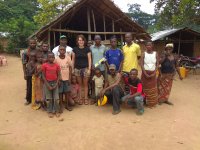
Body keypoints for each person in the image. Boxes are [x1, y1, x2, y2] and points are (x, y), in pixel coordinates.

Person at [72, 34, 92, 105]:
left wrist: (89, 69)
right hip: (77, 69)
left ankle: (86, 98)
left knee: (85, 84)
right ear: (77, 41)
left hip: (85, 68)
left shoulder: (87, 49)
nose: (80, 41)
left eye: (82, 40)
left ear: (84, 41)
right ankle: (81, 98)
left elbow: (89, 59)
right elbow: (73, 60)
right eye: (79, 40)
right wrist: (72, 69)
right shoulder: (74, 49)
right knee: (80, 85)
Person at [55, 45, 73, 112]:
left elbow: (70, 67)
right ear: (58, 51)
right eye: (60, 50)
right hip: (60, 79)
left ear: (65, 51)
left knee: (67, 92)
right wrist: (58, 79)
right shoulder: (56, 59)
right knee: (60, 93)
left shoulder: (68, 58)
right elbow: (55, 69)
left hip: (67, 79)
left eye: (63, 50)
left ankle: (67, 105)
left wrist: (70, 78)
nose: (62, 51)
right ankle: (61, 106)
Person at [42, 52, 61, 118]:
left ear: (54, 58)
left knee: (56, 98)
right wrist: (48, 85)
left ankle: (56, 111)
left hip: (55, 82)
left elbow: (59, 75)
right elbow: (43, 76)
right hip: (47, 83)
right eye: (50, 57)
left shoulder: (57, 65)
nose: (51, 58)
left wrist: (56, 84)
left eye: (52, 57)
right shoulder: (44, 65)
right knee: (49, 99)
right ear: (47, 58)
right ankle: (49, 111)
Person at [141, 41, 159, 107]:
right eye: (147, 45)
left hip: (153, 74)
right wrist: (145, 73)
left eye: (150, 45)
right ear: (145, 46)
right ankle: (145, 102)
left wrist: (154, 73)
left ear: (152, 45)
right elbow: (141, 64)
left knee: (152, 88)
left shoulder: (155, 53)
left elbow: (157, 64)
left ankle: (152, 103)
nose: (148, 46)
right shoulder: (144, 54)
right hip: (145, 73)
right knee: (144, 87)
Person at [22, 39, 37, 105]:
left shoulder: (38, 51)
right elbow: (24, 63)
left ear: (36, 43)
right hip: (29, 71)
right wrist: (25, 73)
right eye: (31, 43)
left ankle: (36, 99)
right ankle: (28, 99)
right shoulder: (25, 52)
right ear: (29, 44)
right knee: (29, 85)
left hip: (37, 70)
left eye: (34, 43)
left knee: (37, 85)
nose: (33, 44)